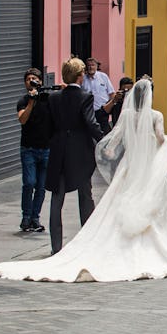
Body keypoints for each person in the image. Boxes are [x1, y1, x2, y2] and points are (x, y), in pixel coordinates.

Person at [0, 79, 167, 281]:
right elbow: (160, 139)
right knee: (155, 205)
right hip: (147, 168)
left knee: (117, 203)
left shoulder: (127, 115)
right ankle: (152, 245)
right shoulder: (155, 116)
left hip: (129, 168)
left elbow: (114, 139)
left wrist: (107, 151)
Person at [44, 58, 105, 255]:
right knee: (85, 194)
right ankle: (88, 242)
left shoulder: (53, 97)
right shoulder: (85, 96)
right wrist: (104, 140)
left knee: (57, 198)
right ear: (80, 77)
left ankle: (56, 248)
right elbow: (90, 122)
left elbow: (50, 126)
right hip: (80, 152)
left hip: (59, 151)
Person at [16, 68, 53, 232]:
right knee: (29, 183)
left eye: (34, 79)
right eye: (28, 79)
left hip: (45, 149)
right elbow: (22, 120)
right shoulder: (23, 101)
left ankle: (35, 218)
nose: (31, 81)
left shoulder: (48, 99)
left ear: (40, 81)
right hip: (28, 149)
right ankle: (26, 217)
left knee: (41, 186)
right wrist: (31, 101)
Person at [80, 57, 116, 134]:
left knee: (104, 132)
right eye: (88, 65)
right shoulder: (83, 79)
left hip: (102, 110)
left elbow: (112, 93)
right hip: (88, 111)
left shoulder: (103, 77)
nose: (90, 67)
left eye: (93, 65)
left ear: (97, 66)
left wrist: (110, 108)